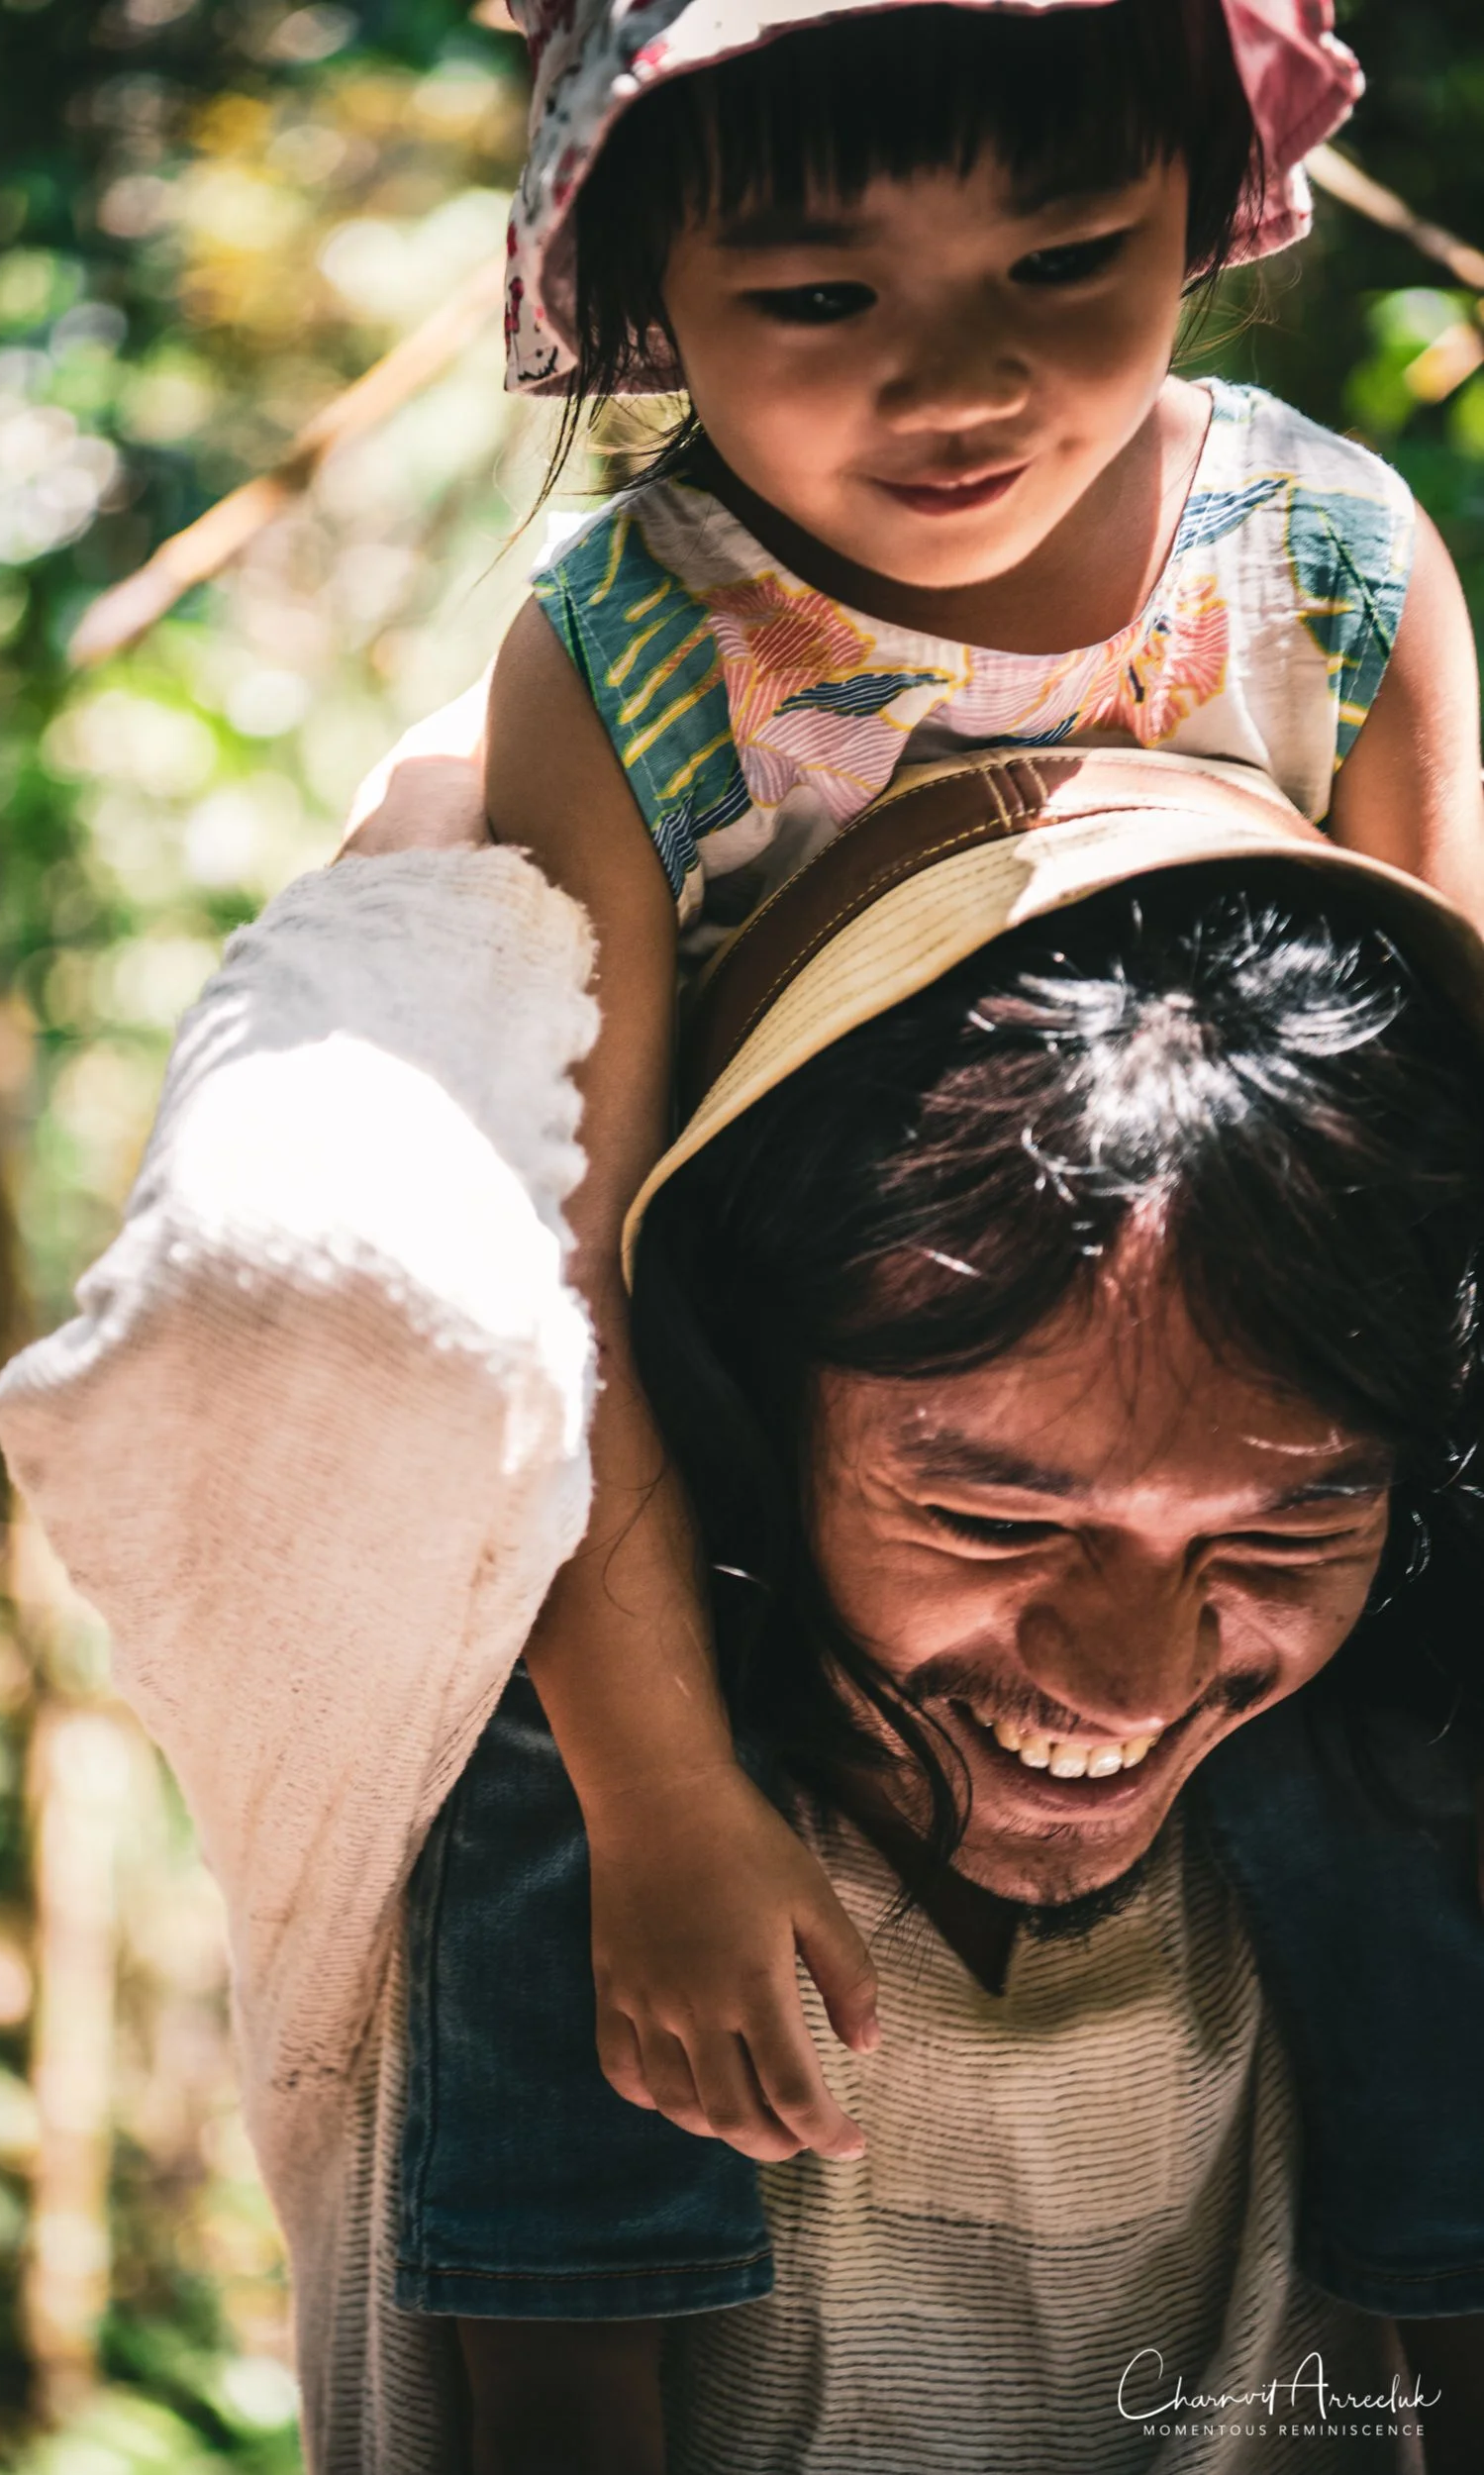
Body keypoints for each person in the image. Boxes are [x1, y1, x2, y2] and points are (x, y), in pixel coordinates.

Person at [339, 0, 1484, 2453]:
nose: (961, 380)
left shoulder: (1328, 562)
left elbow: (1438, 1103)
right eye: (820, 298)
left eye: (1066, 257)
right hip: (766, 1396)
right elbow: (556, 1243)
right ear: (645, 282)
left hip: (1267, 1348)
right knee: (528, 1813)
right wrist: (660, 1798)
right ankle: (562, 2363)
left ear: (1208, 194)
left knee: (1415, 1774)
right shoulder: (625, 643)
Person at [0, 750, 1484, 2470]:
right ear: (740, 1393)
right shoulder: (459, 1743)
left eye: (1286, 1529)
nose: (1132, 1678)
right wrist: (624, 735)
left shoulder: (1390, 1783)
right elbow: (296, 1291)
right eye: (995, 1514)